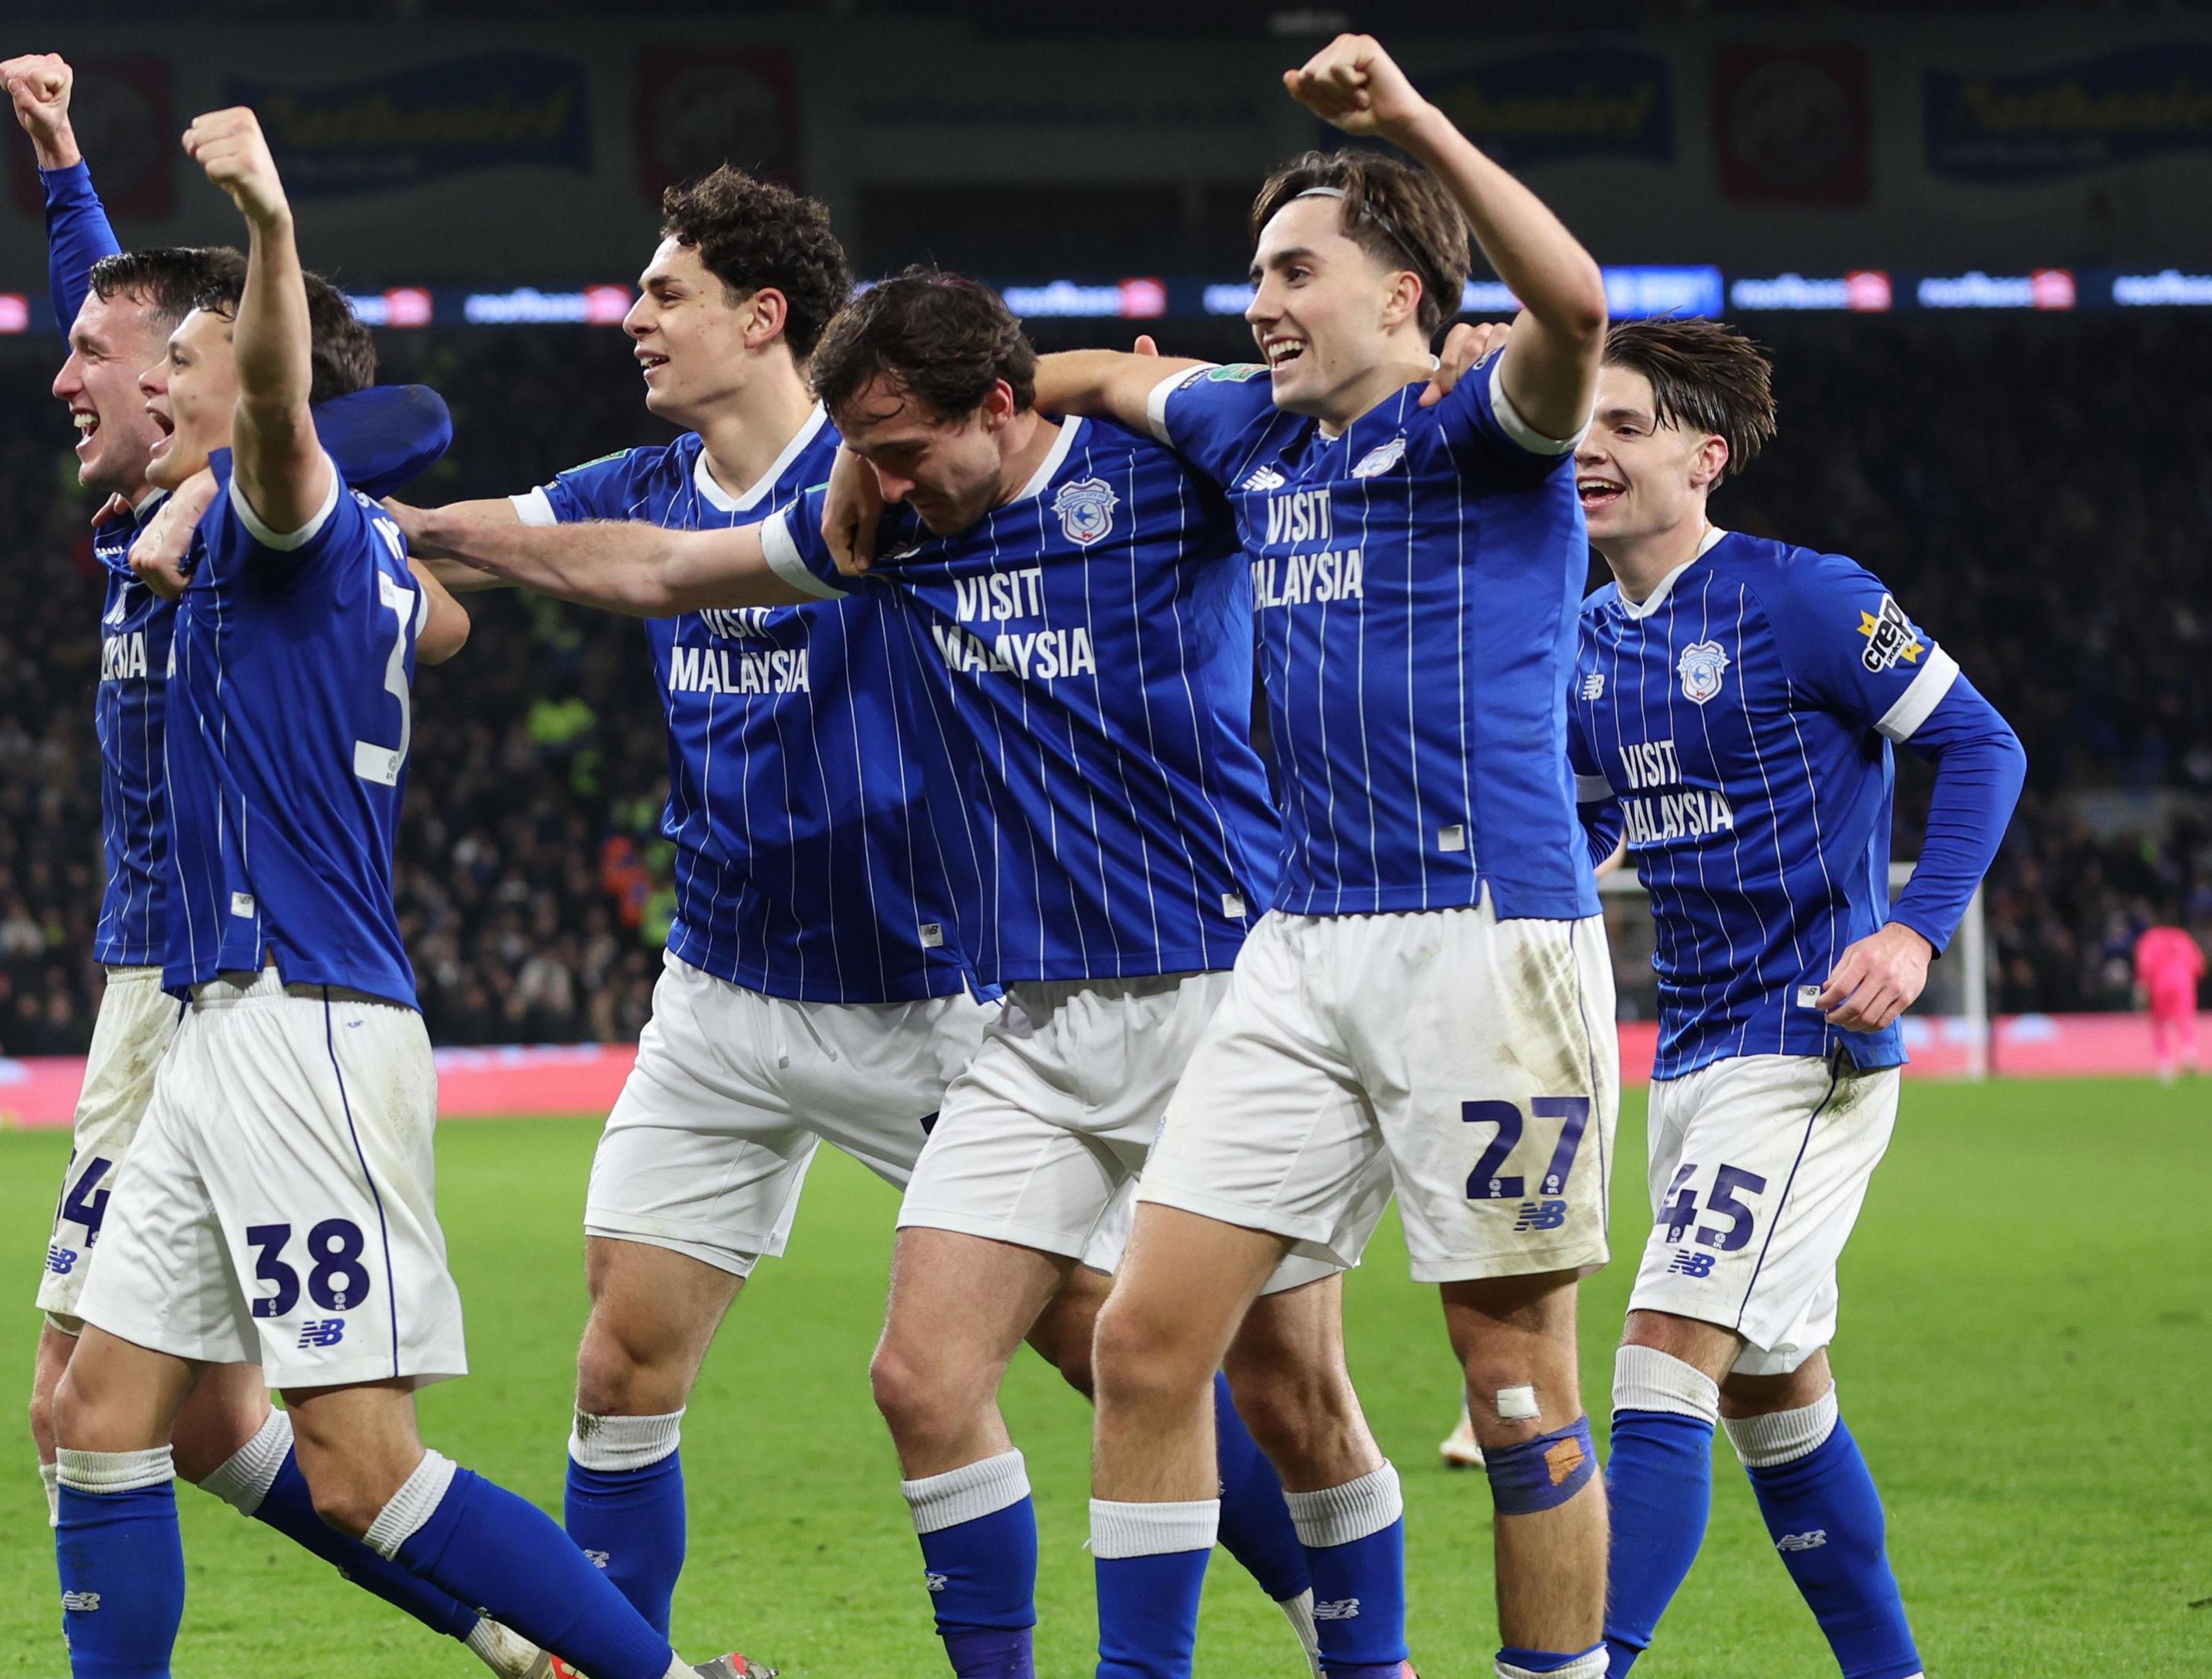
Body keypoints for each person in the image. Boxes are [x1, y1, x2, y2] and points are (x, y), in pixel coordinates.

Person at [397, 268, 1466, 1678]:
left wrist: (1449, 376)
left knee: (1278, 1385)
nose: (884, 480)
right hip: (1025, 1016)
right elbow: (655, 569)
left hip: (1211, 992)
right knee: (920, 1374)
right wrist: (384, 522)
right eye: (865, 451)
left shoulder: (1159, 474)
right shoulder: (884, 525)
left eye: (903, 449)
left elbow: (1310, 420)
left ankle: (1365, 1656)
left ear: (999, 403)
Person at [44, 103, 767, 1679]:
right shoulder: (301, 537)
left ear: (257, 381)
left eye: (181, 363)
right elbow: (411, 572)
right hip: (214, 1019)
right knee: (99, 1414)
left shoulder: (282, 520)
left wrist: (271, 222)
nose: (147, 385)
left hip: (304, 1024)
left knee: (362, 1466)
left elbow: (284, 413)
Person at [1007, 33, 1620, 1679]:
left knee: (1515, 1388)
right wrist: (916, 429)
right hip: (1298, 945)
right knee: (1148, 1341)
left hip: (1485, 943)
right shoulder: (1246, 432)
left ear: (1405, 294)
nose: (1261, 301)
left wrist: (1410, 117)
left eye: (1295, 271)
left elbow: (1574, 306)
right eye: (1255, 274)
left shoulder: (1483, 430)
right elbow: (1097, 377)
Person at [0, 57, 555, 1678]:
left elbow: (326, 436)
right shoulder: (154, 512)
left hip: (213, 992)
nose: (73, 378)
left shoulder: (247, 520)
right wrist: (62, 170)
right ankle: (520, 1637)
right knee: (188, 1422)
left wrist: (233, 460)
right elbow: (118, 323)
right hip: (167, 977)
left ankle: (556, 1636)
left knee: (106, 1411)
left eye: (126, 361)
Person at [1570, 317, 2025, 1679]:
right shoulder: (1584, 641)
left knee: (1664, 1355)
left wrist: (1915, 932)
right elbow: (1590, 821)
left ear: (1705, 457)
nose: (1589, 448)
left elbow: (1981, 742)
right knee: (1777, 1397)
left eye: (1625, 425)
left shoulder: (1806, 596)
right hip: (1691, 1053)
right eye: (1580, 424)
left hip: (1808, 1041)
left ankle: (1576, 1662)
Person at [2133, 915, 2207, 1083]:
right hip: (2183, 981)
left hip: (2160, 982)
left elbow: (2144, 964)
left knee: (2159, 1023)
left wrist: (2142, 985)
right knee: (2184, 1019)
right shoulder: (2183, 938)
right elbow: (2198, 965)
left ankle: (2165, 1065)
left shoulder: (2150, 939)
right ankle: (2189, 1052)